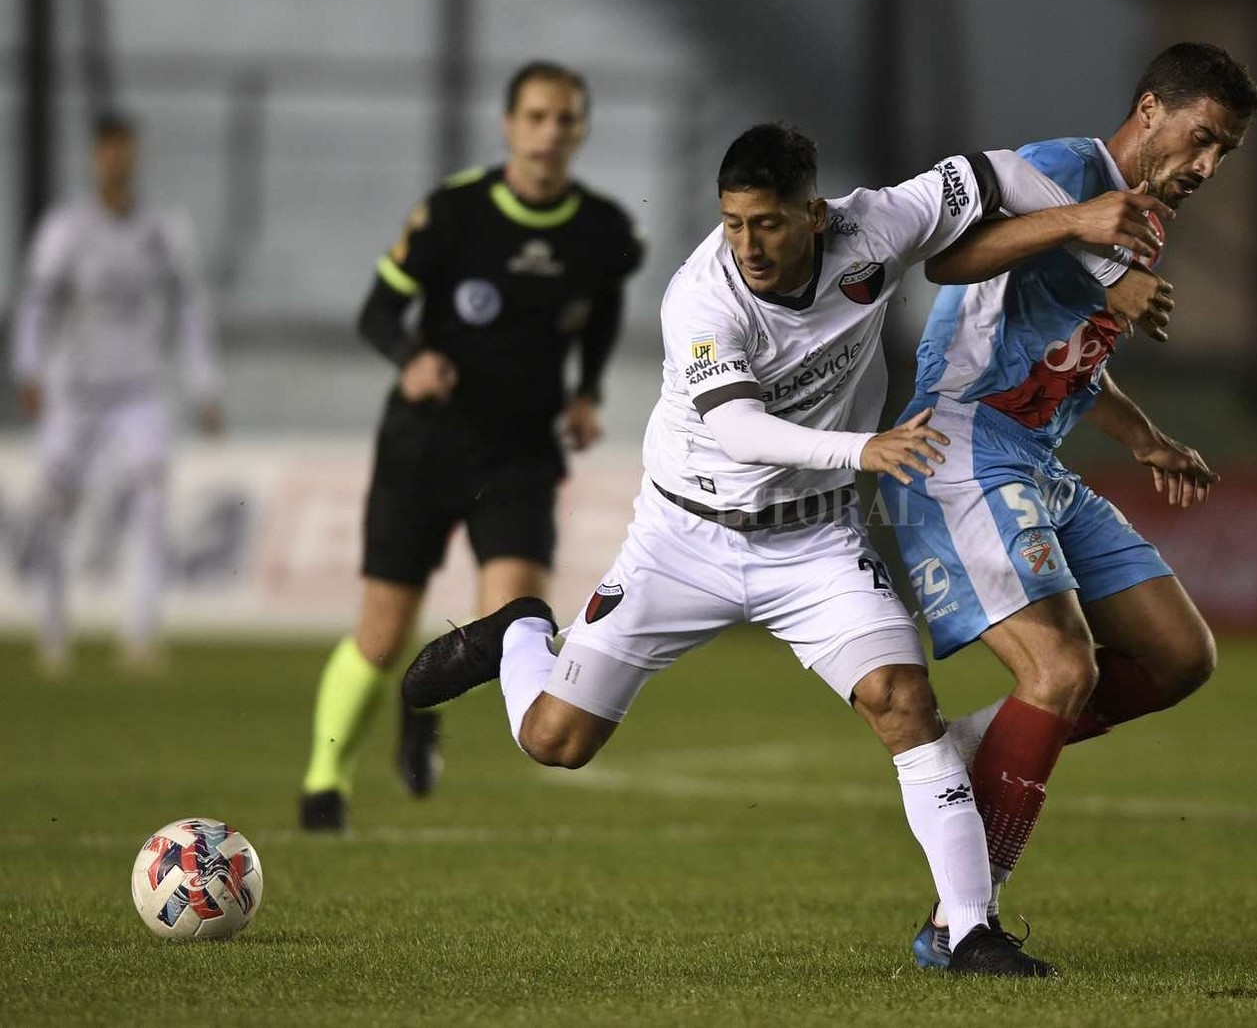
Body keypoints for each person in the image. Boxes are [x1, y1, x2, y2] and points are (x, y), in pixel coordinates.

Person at [401, 122, 1172, 974]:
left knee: (903, 704)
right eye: (732, 222)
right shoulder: (700, 297)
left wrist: (1103, 257)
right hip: (681, 541)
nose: (747, 244)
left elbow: (996, 176)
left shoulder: (874, 225)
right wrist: (864, 449)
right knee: (555, 742)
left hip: (812, 542)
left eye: (765, 223)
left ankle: (968, 928)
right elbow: (735, 427)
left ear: (814, 213)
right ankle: (517, 632)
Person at [877, 42, 1257, 969]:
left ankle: (984, 747)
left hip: (1035, 458)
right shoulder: (1059, 171)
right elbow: (951, 258)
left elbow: (1071, 351)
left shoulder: (1145, 222)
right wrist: (1081, 233)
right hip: (959, 443)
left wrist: (1142, 437)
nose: (1206, 166)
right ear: (1149, 110)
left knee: (1177, 656)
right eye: (1201, 139)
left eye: (1224, 154)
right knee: (1058, 667)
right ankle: (961, 919)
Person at [298, 61, 644, 831]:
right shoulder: (454, 212)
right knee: (382, 632)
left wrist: (587, 391)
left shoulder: (603, 231)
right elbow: (378, 312)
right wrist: (411, 356)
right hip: (423, 443)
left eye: (566, 119)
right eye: (536, 116)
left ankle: (427, 700)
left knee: (510, 626)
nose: (550, 132)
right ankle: (326, 784)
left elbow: (600, 316)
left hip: (519, 455)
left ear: (580, 130)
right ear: (508, 125)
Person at [10, 111, 222, 674]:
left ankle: (139, 636)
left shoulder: (162, 229)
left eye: (125, 149)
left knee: (152, 498)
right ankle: (53, 634)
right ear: (94, 157)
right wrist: (28, 368)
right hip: (75, 390)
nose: (117, 160)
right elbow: (38, 303)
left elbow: (189, 309)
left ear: (135, 155)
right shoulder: (66, 228)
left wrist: (204, 383)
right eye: (108, 150)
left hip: (139, 389)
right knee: (55, 505)